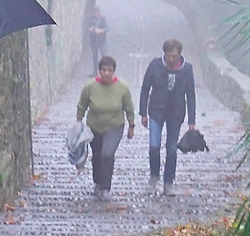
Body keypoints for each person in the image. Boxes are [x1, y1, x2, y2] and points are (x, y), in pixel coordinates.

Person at [140, 37, 197, 191]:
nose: (171, 59)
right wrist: (143, 113)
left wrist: (192, 120)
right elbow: (145, 89)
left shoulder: (187, 69)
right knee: (154, 145)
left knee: (171, 148)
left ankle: (168, 181)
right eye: (169, 55)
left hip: (176, 113)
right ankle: (154, 175)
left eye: (174, 56)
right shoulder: (155, 66)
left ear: (179, 55)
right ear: (164, 54)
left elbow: (190, 94)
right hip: (156, 110)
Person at [75, 53, 135, 195]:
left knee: (107, 154)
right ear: (99, 71)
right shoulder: (90, 86)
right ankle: (97, 182)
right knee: (97, 156)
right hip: (94, 127)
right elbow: (82, 104)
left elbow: (129, 107)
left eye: (110, 70)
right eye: (104, 70)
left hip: (114, 126)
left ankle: (106, 187)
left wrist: (131, 125)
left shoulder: (122, 87)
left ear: (114, 71)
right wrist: (78, 122)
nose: (106, 73)